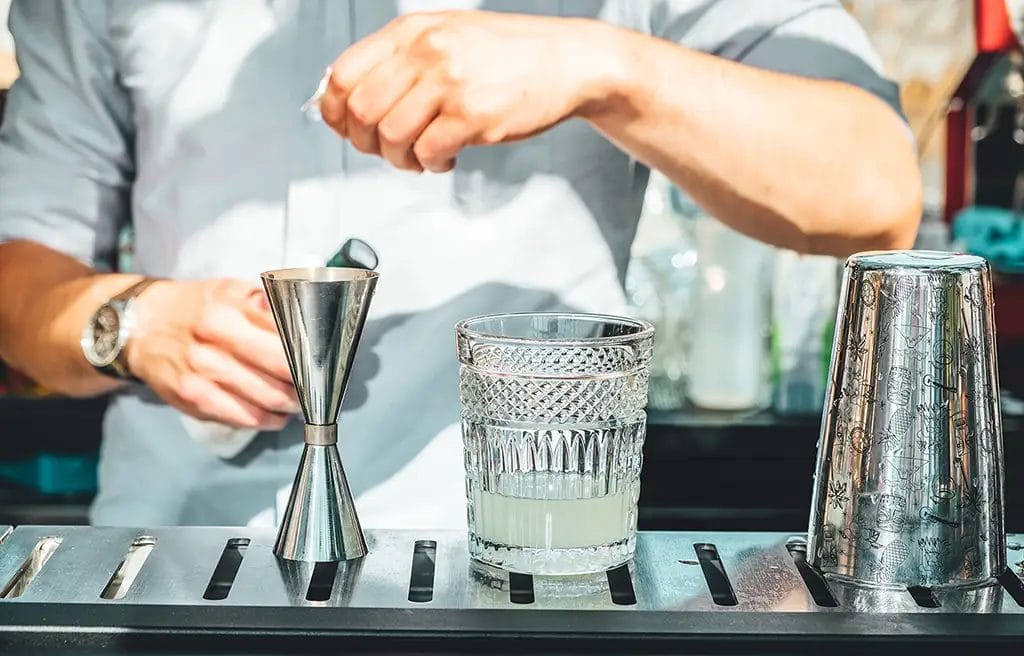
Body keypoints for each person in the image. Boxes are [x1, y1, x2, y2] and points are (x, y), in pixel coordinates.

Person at [0, 1, 920, 528]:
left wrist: (603, 66)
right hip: (181, 552)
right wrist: (123, 320)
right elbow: (18, 276)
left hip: (532, 553)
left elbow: (873, 188)